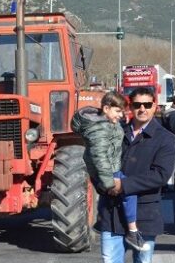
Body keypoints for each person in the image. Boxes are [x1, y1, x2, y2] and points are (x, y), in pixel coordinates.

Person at [98, 87, 175, 263]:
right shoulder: (115, 133)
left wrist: (123, 185)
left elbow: (161, 175)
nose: (142, 109)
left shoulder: (165, 138)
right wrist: (102, 183)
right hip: (112, 212)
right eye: (137, 104)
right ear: (130, 107)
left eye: (147, 104)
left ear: (154, 106)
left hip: (145, 214)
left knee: (142, 261)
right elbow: (98, 162)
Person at [71, 91, 148, 253]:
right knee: (130, 191)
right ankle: (133, 232)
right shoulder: (99, 128)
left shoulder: (107, 123)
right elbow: (100, 156)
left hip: (111, 169)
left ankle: (101, 221)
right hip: (108, 172)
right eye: (118, 111)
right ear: (106, 108)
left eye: (122, 111)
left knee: (113, 200)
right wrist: (108, 183)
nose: (121, 115)